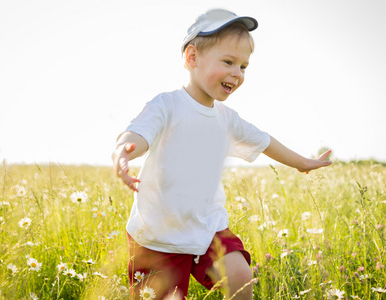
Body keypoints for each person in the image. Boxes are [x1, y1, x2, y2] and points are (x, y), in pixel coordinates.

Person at [112, 9, 332, 300]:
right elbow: (138, 133)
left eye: (243, 66)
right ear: (192, 58)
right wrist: (124, 152)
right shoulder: (167, 105)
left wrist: (302, 162)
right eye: (228, 62)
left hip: (208, 227)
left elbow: (264, 141)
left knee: (240, 278)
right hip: (158, 237)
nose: (237, 73)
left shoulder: (227, 119)